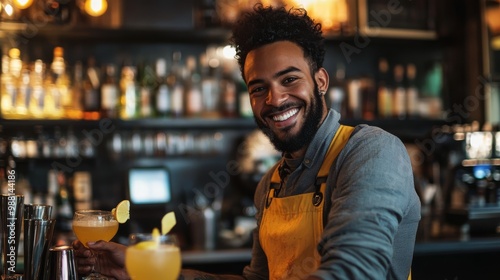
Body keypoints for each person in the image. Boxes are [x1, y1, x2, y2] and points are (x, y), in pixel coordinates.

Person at [73, 4, 421, 280]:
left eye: (289, 79)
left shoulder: (371, 151)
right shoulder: (269, 185)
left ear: (320, 81)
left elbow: (355, 270)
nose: (275, 99)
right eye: (259, 88)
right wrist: (145, 270)